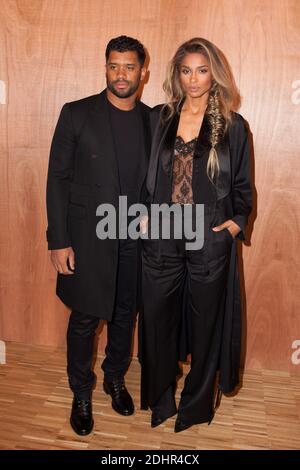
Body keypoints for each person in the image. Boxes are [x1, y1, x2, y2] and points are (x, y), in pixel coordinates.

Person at [139, 37, 252, 432]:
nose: (193, 79)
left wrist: (233, 226)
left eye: (202, 70)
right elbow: (144, 176)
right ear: (176, 74)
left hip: (209, 238)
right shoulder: (159, 118)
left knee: (206, 325)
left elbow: (242, 187)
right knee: (156, 318)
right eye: (186, 70)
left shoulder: (234, 126)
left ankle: (196, 405)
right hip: (162, 236)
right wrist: (142, 214)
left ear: (214, 74)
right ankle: (160, 398)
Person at [46, 36, 151, 435]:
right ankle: (81, 392)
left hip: (133, 238)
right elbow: (57, 178)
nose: (120, 74)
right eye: (114, 66)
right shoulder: (76, 114)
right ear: (105, 68)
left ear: (142, 71)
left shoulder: (152, 119)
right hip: (87, 239)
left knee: (126, 314)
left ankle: (115, 378)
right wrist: (58, 239)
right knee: (86, 317)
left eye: (128, 67)